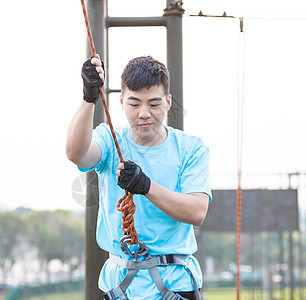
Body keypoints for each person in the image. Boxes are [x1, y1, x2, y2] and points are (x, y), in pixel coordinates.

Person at [66, 54, 212, 300]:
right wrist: (89, 98)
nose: (144, 113)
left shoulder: (191, 148)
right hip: (120, 285)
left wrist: (146, 186)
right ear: (121, 101)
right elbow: (76, 153)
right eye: (134, 104)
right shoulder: (110, 139)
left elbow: (196, 212)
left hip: (174, 284)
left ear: (168, 102)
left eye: (154, 104)